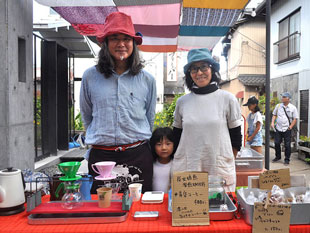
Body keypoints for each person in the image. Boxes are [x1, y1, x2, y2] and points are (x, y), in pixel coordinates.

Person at [80, 12, 157, 193]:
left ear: (133, 44)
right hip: (101, 156)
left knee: (139, 210)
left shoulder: (147, 80)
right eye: (114, 38)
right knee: (103, 211)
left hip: (138, 155)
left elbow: (149, 117)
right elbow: (87, 114)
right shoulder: (90, 76)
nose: (121, 44)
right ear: (105, 44)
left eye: (126, 39)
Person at [172, 48, 242, 192]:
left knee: (219, 208)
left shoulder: (227, 99)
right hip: (189, 167)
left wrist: (227, 159)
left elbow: (236, 136)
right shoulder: (182, 102)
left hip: (218, 168)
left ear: (212, 69)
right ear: (189, 74)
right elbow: (177, 135)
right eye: (194, 69)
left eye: (204, 67)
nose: (199, 73)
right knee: (192, 210)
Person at [271, 92, 298, 165]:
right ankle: (278, 156)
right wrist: (272, 123)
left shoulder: (293, 108)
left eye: (284, 97)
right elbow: (274, 115)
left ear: (288, 99)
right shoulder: (278, 106)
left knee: (287, 145)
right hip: (278, 128)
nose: (282, 98)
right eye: (282, 97)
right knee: (276, 143)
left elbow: (295, 119)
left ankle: (287, 159)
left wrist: (290, 127)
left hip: (287, 129)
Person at [150, 127, 175, 193]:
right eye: (159, 144)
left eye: (168, 144)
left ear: (174, 145)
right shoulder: (150, 165)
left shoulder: (176, 165)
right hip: (154, 201)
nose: (164, 148)